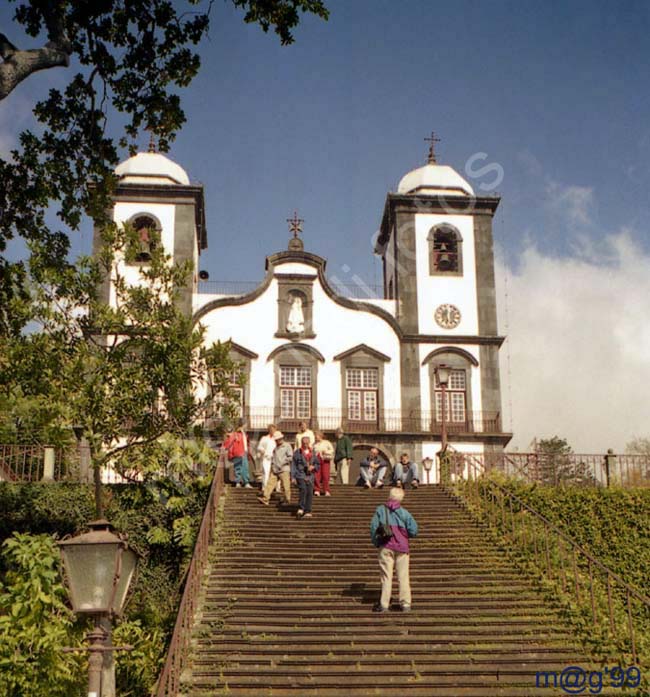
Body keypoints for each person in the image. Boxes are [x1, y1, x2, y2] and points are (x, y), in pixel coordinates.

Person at [370, 487, 418, 613]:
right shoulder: (404, 513)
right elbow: (414, 530)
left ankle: (384, 604)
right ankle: (405, 603)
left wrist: (376, 543)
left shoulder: (380, 510)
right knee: (403, 576)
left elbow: (374, 527)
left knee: (386, 577)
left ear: (389, 496)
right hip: (402, 547)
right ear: (401, 498)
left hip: (386, 546)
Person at [257, 431, 293, 505]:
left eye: (277, 439)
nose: (276, 441)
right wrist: (273, 466)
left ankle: (287, 500)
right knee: (270, 484)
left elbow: (290, 457)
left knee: (286, 486)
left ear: (281, 438)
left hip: (284, 469)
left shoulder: (287, 446)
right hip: (275, 469)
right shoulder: (275, 448)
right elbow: (273, 458)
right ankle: (265, 498)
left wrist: (283, 463)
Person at [291, 435, 319, 518]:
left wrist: (313, 467)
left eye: (307, 443)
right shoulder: (297, 453)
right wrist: (293, 477)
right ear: (301, 443)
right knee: (303, 489)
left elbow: (317, 464)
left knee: (310, 492)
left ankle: (308, 510)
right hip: (300, 474)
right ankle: (301, 508)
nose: (305, 445)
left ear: (309, 443)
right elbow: (294, 465)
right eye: (304, 443)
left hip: (310, 476)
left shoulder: (313, 452)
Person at [223, 419, 253, 488]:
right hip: (237, 452)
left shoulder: (244, 434)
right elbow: (229, 442)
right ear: (243, 425)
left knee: (245, 467)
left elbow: (246, 444)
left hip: (243, 452)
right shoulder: (236, 434)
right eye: (246, 424)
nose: (247, 426)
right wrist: (224, 447)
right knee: (238, 467)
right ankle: (239, 482)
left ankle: (245, 482)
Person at [313, 431, 334, 496]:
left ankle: (326, 490)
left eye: (317, 436)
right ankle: (317, 490)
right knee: (317, 475)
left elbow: (332, 450)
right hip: (317, 460)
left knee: (325, 475)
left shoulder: (326, 442)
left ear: (321, 436)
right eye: (315, 436)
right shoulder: (314, 444)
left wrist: (326, 451)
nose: (316, 438)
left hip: (325, 460)